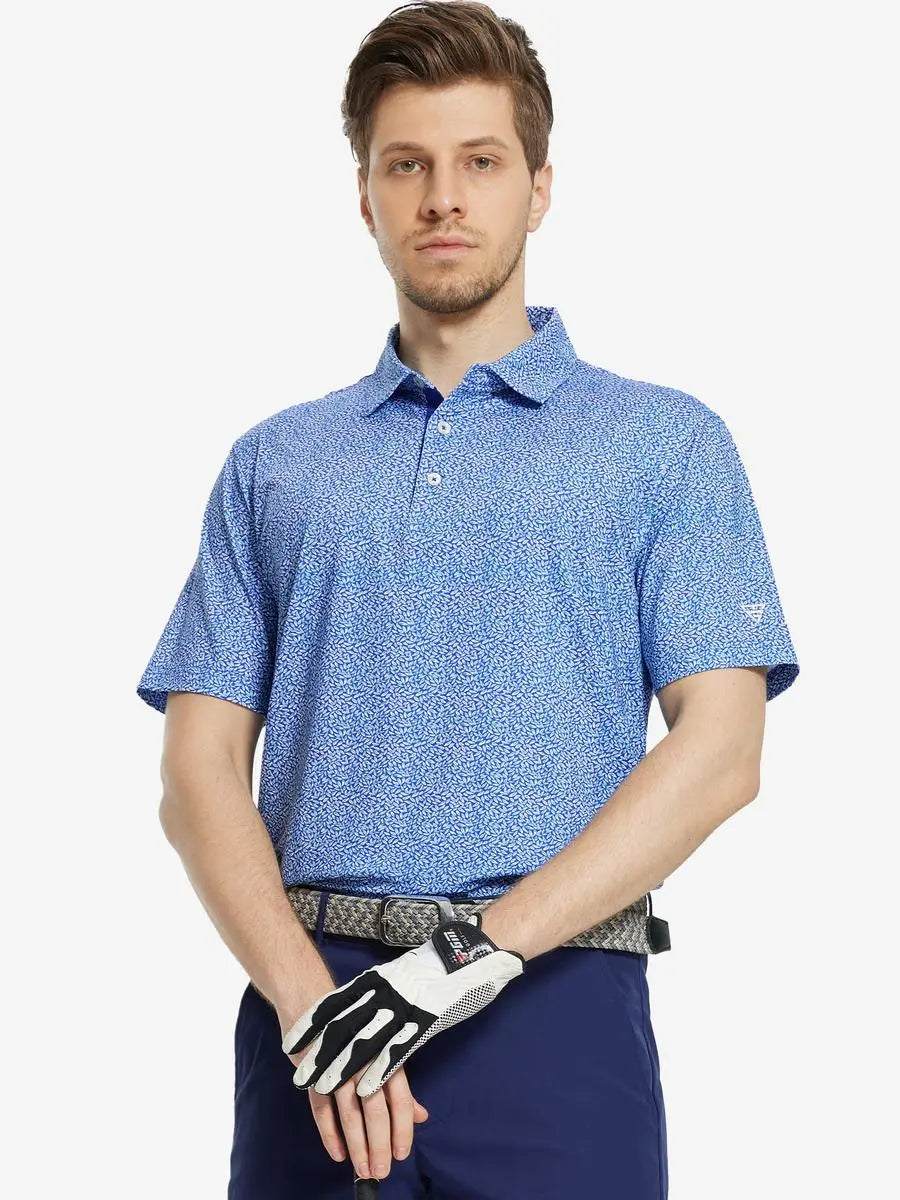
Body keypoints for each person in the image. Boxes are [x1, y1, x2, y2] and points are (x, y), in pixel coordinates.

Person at [136, 2, 800, 1196]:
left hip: (557, 1002)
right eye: (408, 165)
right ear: (366, 196)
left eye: (480, 162)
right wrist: (308, 1002)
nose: (444, 198)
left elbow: (722, 750)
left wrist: (466, 957)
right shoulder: (276, 464)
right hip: (316, 1014)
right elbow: (197, 772)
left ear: (539, 188)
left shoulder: (665, 446)